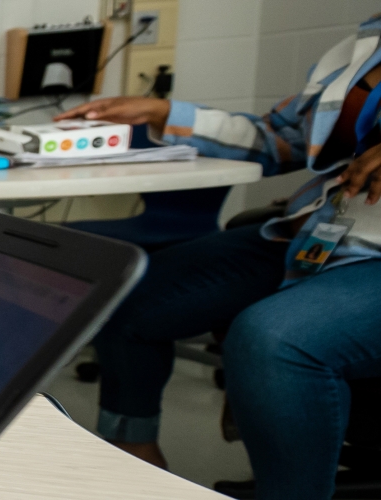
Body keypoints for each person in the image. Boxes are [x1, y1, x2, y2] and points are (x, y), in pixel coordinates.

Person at [56, 14, 381, 499]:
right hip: (320, 232)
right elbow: (281, 139)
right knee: (128, 290)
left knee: (273, 341)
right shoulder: (362, 47)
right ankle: (132, 454)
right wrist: (164, 113)